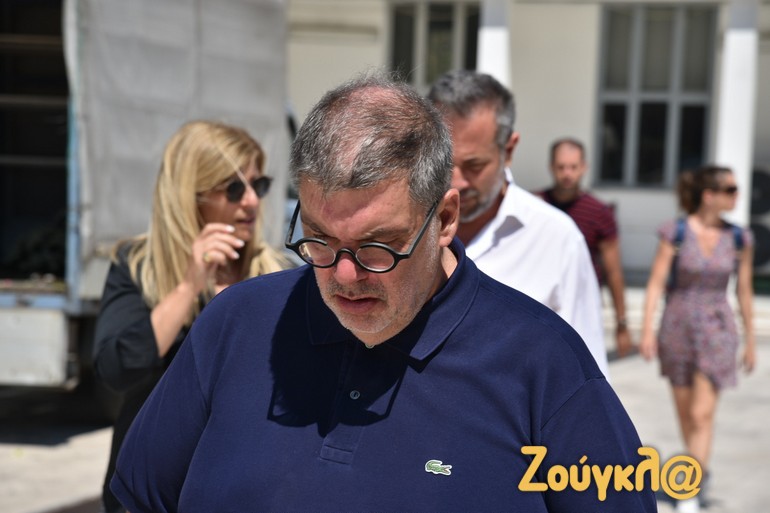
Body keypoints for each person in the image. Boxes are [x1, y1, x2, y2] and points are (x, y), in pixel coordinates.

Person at [109, 74, 655, 512]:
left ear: (444, 219)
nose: (345, 276)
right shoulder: (236, 324)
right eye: (320, 240)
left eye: (378, 246)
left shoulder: (545, 365)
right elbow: (140, 496)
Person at [92, 120, 288, 513]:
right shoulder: (139, 266)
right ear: (190, 196)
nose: (252, 201)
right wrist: (187, 287)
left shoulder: (277, 273)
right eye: (234, 189)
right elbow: (117, 369)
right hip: (152, 488)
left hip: (245, 486)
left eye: (259, 185)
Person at [427, 70, 609, 378]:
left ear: (508, 150)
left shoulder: (558, 239)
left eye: (474, 165)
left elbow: (587, 374)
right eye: (444, 163)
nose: (456, 182)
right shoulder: (401, 230)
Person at [639, 165, 756, 513]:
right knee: (687, 414)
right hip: (678, 327)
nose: (736, 196)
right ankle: (697, 468)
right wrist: (647, 329)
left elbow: (744, 291)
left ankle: (690, 487)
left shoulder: (740, 238)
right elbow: (656, 282)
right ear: (709, 195)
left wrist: (750, 340)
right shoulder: (675, 233)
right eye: (730, 189)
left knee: (702, 414)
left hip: (718, 330)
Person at [537, 138, 633, 357]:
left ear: (584, 168)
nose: (567, 174)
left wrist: (621, 324)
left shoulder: (599, 212)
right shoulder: (534, 206)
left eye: (573, 167)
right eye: (561, 167)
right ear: (551, 167)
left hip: (582, 307)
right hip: (539, 305)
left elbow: (613, 272)